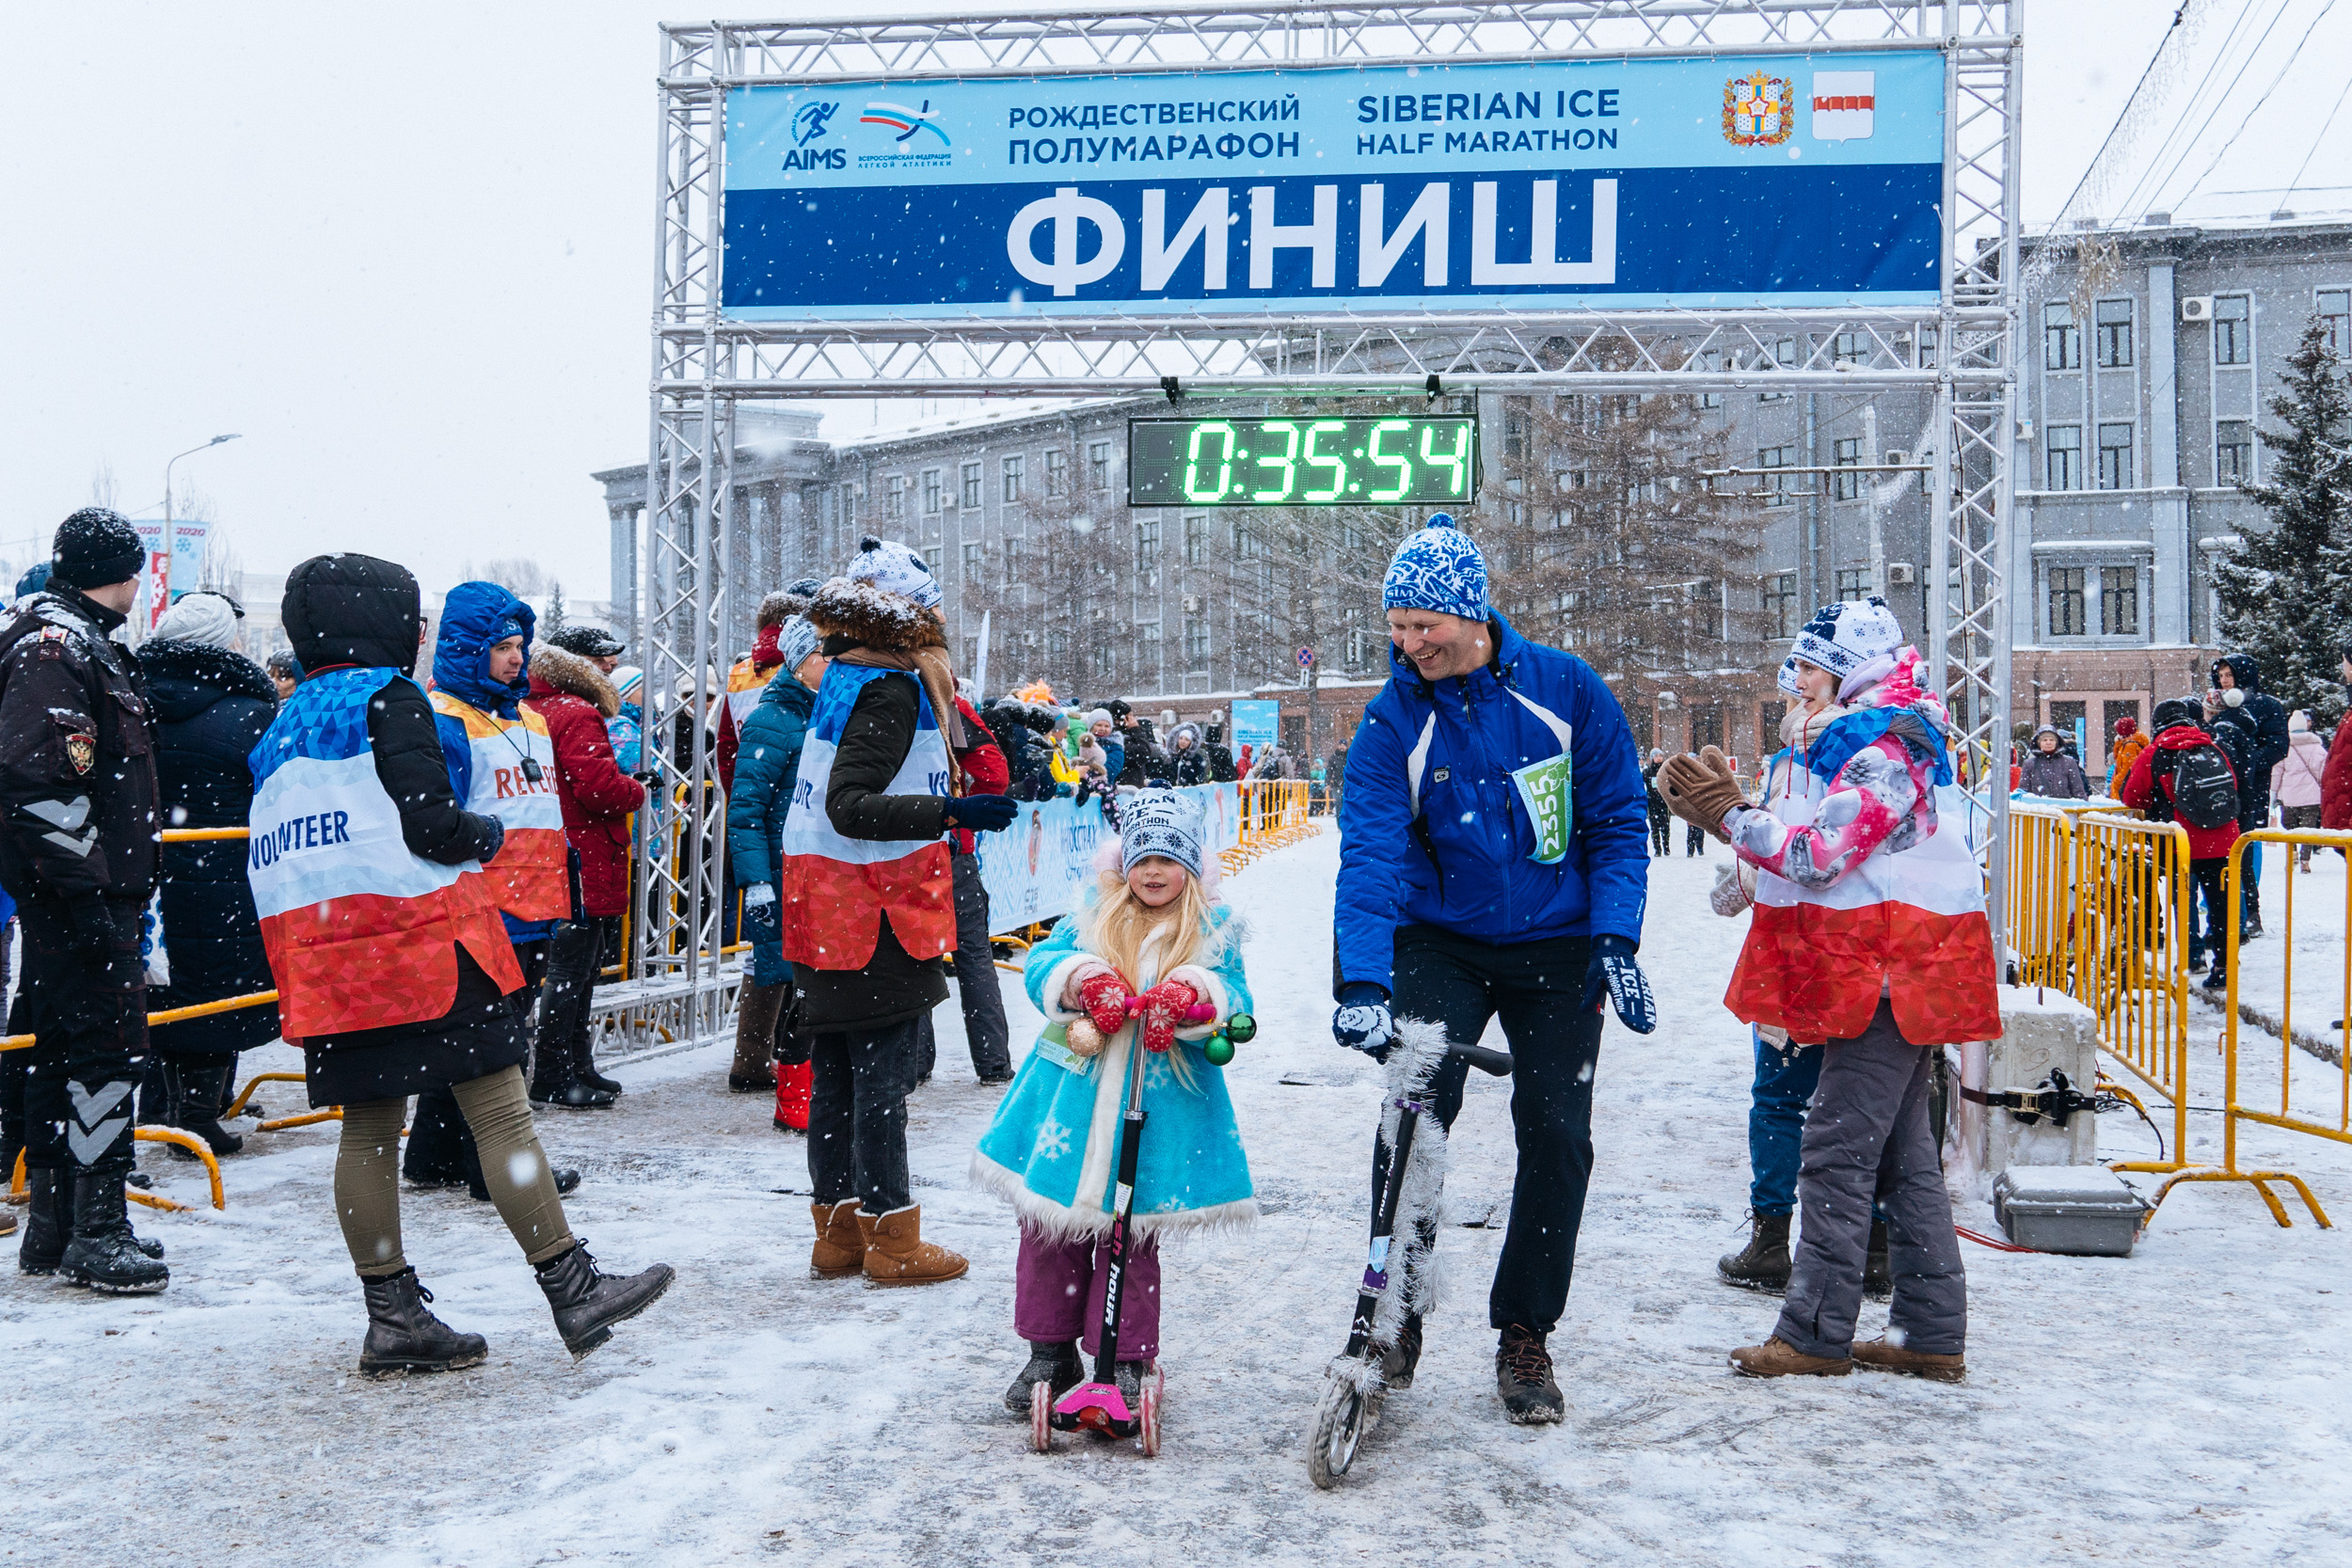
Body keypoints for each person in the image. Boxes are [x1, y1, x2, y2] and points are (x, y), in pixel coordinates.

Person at [250, 553, 671, 1372]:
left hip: (332, 952)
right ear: (381, 624)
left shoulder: (284, 722)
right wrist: (485, 836)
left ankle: (393, 1313)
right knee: (501, 1113)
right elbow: (429, 822)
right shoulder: (391, 700)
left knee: (369, 1130)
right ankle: (572, 1284)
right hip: (424, 941)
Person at [1330, 515, 1654, 1424]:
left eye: (1423, 624)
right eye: (1396, 627)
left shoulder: (1565, 690)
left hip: (1559, 944)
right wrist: (1361, 981)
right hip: (1441, 940)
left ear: (1472, 612)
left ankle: (1525, 1330)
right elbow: (1372, 857)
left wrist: (1615, 939)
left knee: (1557, 1132)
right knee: (1415, 1113)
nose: (1408, 643)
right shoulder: (1394, 719)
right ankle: (1395, 1311)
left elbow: (1619, 822)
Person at [1659, 596, 1995, 1383]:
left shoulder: (1885, 747)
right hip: (1891, 971)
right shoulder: (1872, 738)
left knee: (1837, 1152)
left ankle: (1813, 1331)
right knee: (1903, 1160)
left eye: (1811, 665)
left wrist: (1731, 814)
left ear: (1851, 671)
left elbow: (1819, 854)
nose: (1798, 679)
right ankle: (1928, 1329)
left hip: (1893, 973)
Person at [777, 540, 1016, 1286]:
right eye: (931, 603)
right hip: (872, 907)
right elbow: (852, 804)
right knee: (878, 1079)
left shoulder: (847, 676)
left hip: (831, 902)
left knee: (843, 1074)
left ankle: (840, 1231)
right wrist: (951, 809)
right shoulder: (889, 686)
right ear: (908, 615)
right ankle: (892, 1236)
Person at [972, 790, 1253, 1415]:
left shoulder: (1210, 929)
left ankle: (1124, 1355)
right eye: (1142, 859)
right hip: (1071, 1105)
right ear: (1122, 863)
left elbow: (1235, 998)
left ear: (1191, 866)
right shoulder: (1093, 914)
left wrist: (1191, 994)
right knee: (1049, 1228)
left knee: (1133, 1237)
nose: (1154, 872)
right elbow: (1044, 959)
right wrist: (1083, 978)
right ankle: (1049, 1349)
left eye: (1169, 860)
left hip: (1153, 1109)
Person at [0, 510, 170, 1291]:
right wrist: (91, 899)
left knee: (68, 1050)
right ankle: (95, 1228)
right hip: (78, 895)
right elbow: (44, 787)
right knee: (104, 1052)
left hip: (82, 892)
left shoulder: (74, 639)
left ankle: (59, 1224)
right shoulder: (58, 646)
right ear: (127, 572)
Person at [1708, 694, 1890, 1299]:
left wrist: (1734, 835)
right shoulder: (1900, 750)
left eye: (1807, 672)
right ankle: (1877, 1243)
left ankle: (1771, 1241)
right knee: (1873, 1109)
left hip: (1801, 960)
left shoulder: (1803, 761)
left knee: (1782, 1101)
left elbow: (1786, 862)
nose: (1795, 688)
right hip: (1876, 957)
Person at [140, 589, 280, 1159]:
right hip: (228, 871)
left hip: (152, 870)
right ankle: (201, 1112)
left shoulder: (135, 698)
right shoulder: (248, 711)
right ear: (224, 643)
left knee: (164, 982)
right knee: (222, 986)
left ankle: (161, 1107)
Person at [527, 626, 648, 1112]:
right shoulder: (576, 713)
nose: (611, 668)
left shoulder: (537, 709)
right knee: (573, 971)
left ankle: (575, 1064)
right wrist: (635, 790)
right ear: (575, 663)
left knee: (573, 969)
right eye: (602, 660)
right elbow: (599, 790)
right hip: (584, 853)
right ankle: (556, 1073)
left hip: (556, 851)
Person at [728, 613, 825, 1107]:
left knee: (797, 971)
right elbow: (745, 810)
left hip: (812, 865)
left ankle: (787, 1072)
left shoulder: (824, 711)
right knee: (776, 968)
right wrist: (756, 881)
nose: (833, 664)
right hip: (780, 866)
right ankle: (760, 1067)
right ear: (804, 661)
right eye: (825, 655)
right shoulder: (773, 716)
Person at [2122, 697, 2243, 992]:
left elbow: (2131, 797)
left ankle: (2193, 956)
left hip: (2181, 843)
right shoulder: (2212, 746)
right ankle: (2225, 965)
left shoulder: (2155, 753)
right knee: (2220, 903)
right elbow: (2232, 787)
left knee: (2184, 900)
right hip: (2225, 840)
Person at [2207, 656, 2289, 939]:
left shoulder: (2266, 706)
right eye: (2221, 675)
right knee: (2220, 851)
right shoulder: (2216, 705)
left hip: (2250, 789)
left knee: (2243, 849)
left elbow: (2278, 746)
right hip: (2217, 789)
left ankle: (2250, 911)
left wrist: (2247, 761)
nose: (2225, 680)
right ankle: (2225, 913)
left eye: (2229, 674)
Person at [717, 581, 820, 794]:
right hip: (803, 792)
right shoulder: (808, 666)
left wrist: (738, 795)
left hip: (752, 789)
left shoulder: (740, 672)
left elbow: (727, 747)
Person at [2275, 711, 2328, 868]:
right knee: (2309, 830)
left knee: (2289, 827)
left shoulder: (2283, 748)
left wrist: (2273, 793)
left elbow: (2276, 772)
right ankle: (2305, 861)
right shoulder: (2317, 748)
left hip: (2289, 796)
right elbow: (2323, 772)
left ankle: (2293, 853)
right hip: (2312, 797)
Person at [2019, 724, 2090, 798]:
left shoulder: (2069, 762)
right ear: (2038, 743)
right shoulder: (2029, 764)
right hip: (2037, 807)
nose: (2048, 742)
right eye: (2045, 740)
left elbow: (2078, 791)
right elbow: (2023, 791)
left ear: (2056, 742)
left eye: (2052, 740)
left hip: (2064, 807)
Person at [2106, 714, 2148, 797]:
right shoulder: (2129, 742)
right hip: (2127, 788)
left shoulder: (2130, 746)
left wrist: (2116, 782)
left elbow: (2127, 769)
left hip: (2124, 790)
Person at [1642, 748, 1672, 857]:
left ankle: (1666, 846)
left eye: (1660, 756)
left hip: (1664, 802)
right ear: (1652, 758)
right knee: (1654, 826)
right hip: (1652, 802)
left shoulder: (1666, 771)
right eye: (1656, 756)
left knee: (1665, 826)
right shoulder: (1647, 772)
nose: (1659, 758)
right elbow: (1640, 785)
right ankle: (1657, 848)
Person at [1166, 721, 1211, 785]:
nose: (1182, 741)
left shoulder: (1196, 759)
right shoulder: (1173, 757)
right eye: (1181, 738)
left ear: (1191, 742)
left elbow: (1200, 778)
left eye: (1187, 739)